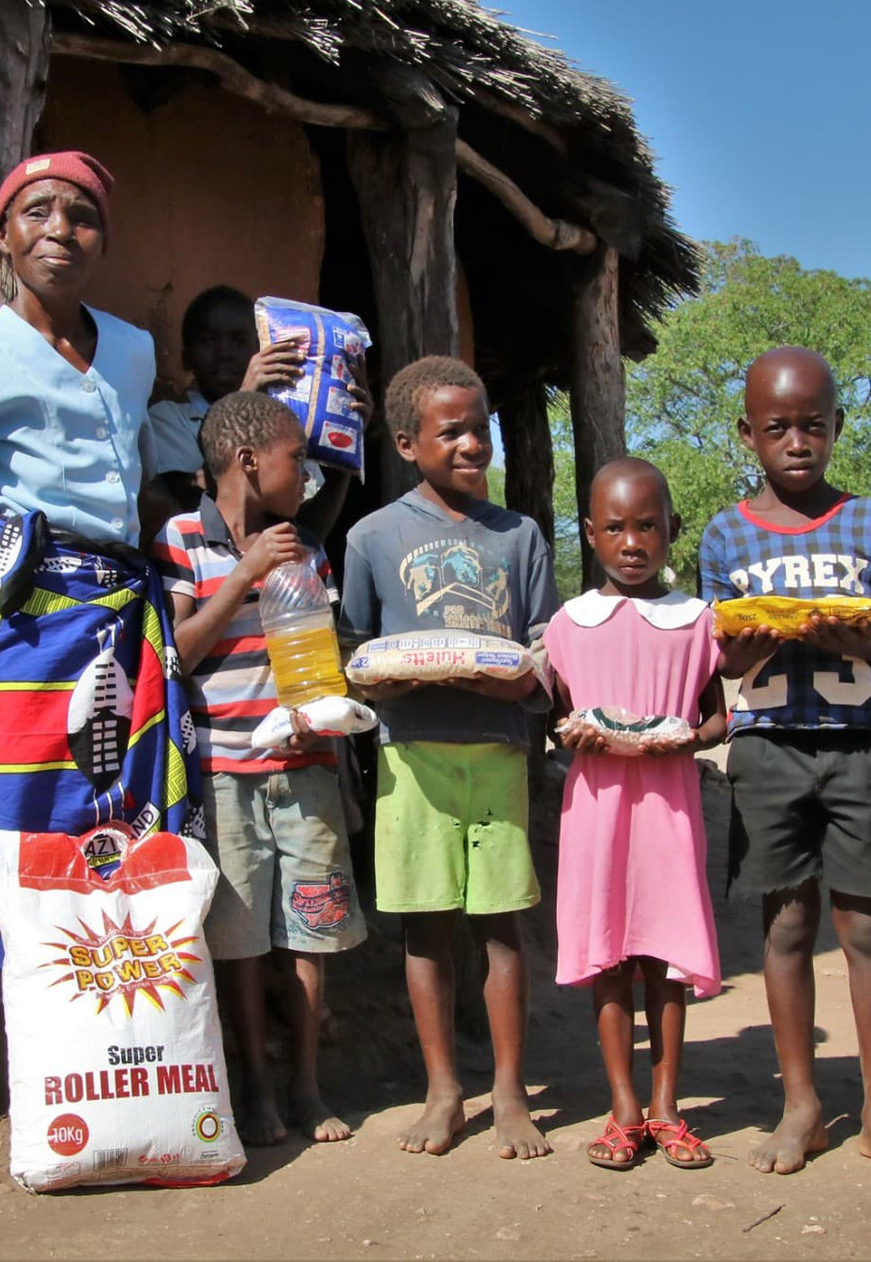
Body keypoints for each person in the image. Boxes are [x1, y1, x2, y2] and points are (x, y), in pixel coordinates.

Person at [0, 151, 200, 1004]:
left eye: (80, 216)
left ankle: (123, 1026)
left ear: (103, 240)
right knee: (22, 811)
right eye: (36, 212)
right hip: (22, 617)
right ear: (2, 233)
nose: (59, 231)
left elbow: (142, 486)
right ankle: (34, 1036)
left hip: (122, 614)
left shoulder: (134, 352)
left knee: (130, 807)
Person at [699, 347, 871, 1187]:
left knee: (867, 927)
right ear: (748, 435)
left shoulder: (869, 525)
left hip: (857, 746)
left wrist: (850, 637)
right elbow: (719, 664)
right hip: (766, 749)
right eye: (777, 429)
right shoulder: (726, 534)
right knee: (787, 924)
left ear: (837, 426)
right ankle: (800, 1103)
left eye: (812, 425)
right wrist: (751, 642)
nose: (796, 442)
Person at [339, 355, 558, 1160]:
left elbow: (542, 650)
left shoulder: (520, 535)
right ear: (406, 442)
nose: (473, 444)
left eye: (481, 428)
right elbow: (356, 652)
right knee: (426, 929)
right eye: (452, 431)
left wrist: (512, 679)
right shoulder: (372, 536)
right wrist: (387, 680)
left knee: (501, 927)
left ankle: (508, 1091)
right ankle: (442, 1091)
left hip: (498, 754)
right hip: (411, 758)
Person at [152, 391, 368, 1145]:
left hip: (304, 766)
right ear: (247, 462)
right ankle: (255, 1088)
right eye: (295, 461)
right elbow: (178, 653)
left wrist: (335, 736)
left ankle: (307, 1087)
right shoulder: (181, 538)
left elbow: (322, 662)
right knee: (239, 940)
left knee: (310, 931)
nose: (306, 477)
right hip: (222, 774)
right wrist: (244, 572)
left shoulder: (307, 550)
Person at [545, 459, 728, 1171]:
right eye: (615, 527)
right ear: (590, 534)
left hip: (668, 811)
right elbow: (560, 716)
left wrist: (686, 736)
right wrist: (575, 733)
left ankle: (667, 1108)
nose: (631, 542)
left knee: (666, 961)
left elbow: (717, 719)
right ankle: (623, 1108)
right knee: (611, 959)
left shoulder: (696, 625)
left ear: (671, 531)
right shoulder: (569, 626)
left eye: (646, 526)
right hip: (597, 811)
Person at [143, 284, 362, 540]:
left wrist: (346, 449)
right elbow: (194, 502)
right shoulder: (168, 420)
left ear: (261, 349)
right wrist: (243, 397)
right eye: (208, 341)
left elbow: (310, 530)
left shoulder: (289, 423)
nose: (224, 353)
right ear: (186, 357)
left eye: (238, 341)